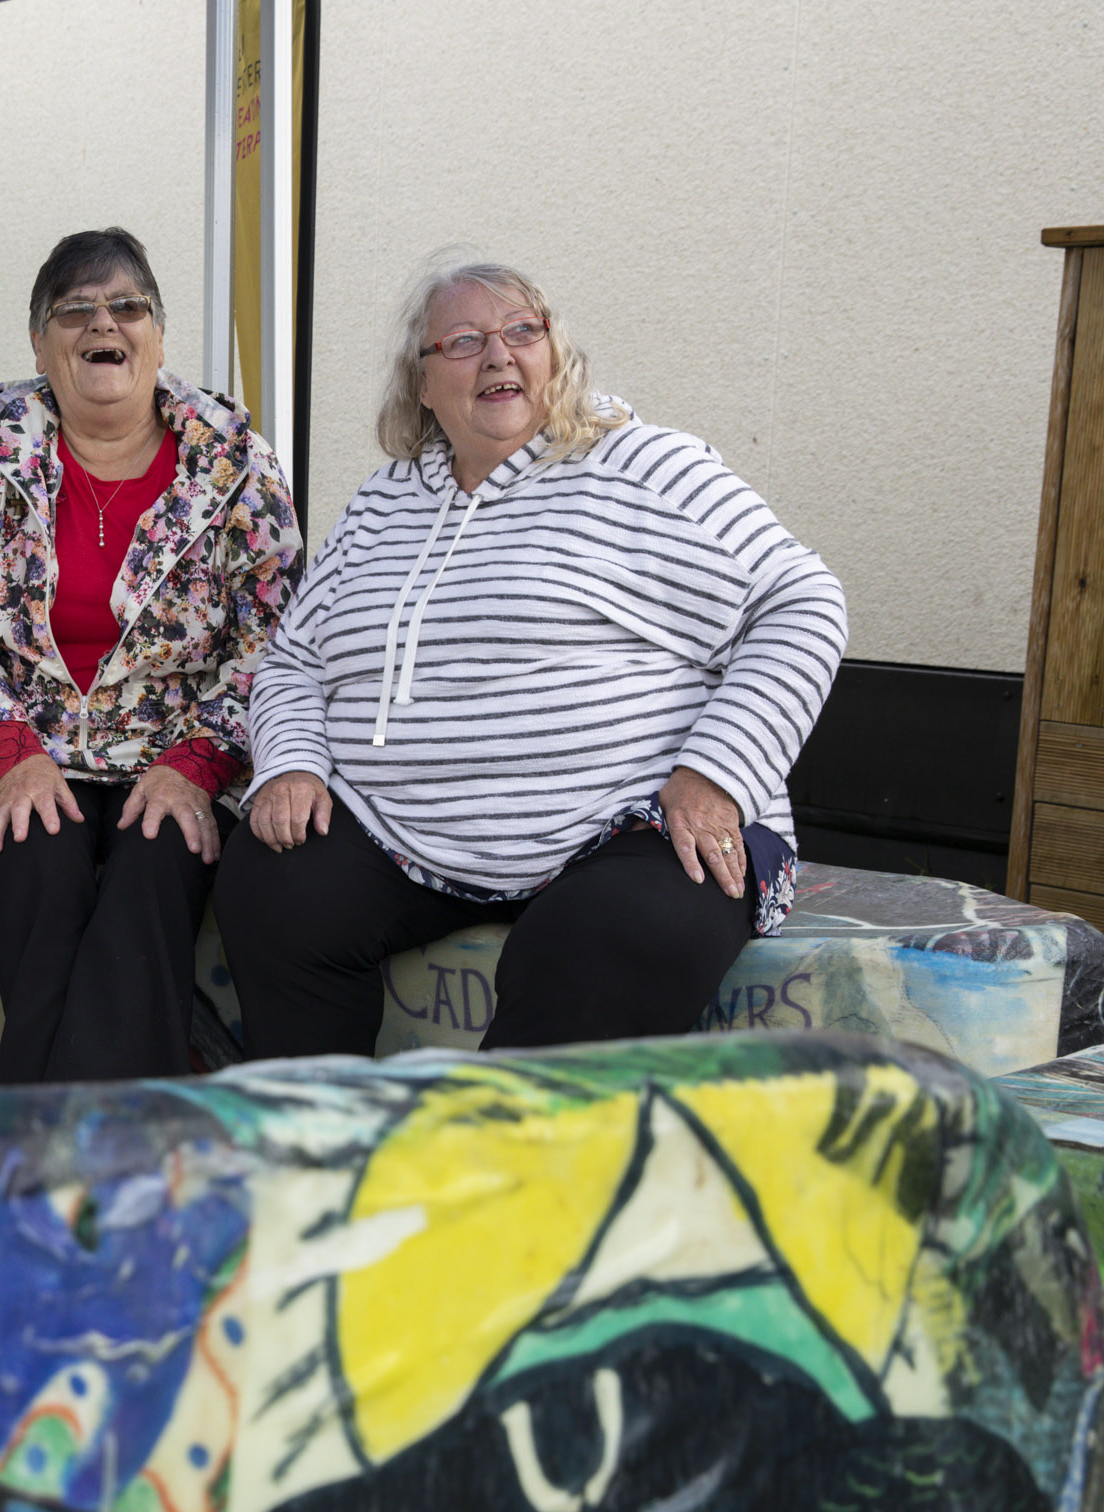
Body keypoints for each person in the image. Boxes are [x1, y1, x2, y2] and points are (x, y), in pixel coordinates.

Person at [215, 256, 847, 1056]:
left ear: (554, 354)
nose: (498, 355)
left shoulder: (644, 465)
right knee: (272, 885)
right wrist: (291, 765)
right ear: (421, 381)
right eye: (465, 340)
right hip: (404, 835)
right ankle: (325, 1150)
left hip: (628, 824)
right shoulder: (384, 501)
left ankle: (496, 1171)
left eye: (522, 331)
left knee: (600, 938)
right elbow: (292, 662)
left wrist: (717, 773)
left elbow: (802, 600)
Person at [0, 227, 302, 1082]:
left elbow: (271, 635)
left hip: (176, 753)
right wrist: (8, 756)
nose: (105, 325)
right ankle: (118, 1155)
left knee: (151, 881)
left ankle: (44, 1143)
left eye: (128, 307)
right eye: (76, 310)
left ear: (158, 337)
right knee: (38, 869)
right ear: (40, 342)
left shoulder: (234, 458)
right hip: (17, 749)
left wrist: (197, 765)